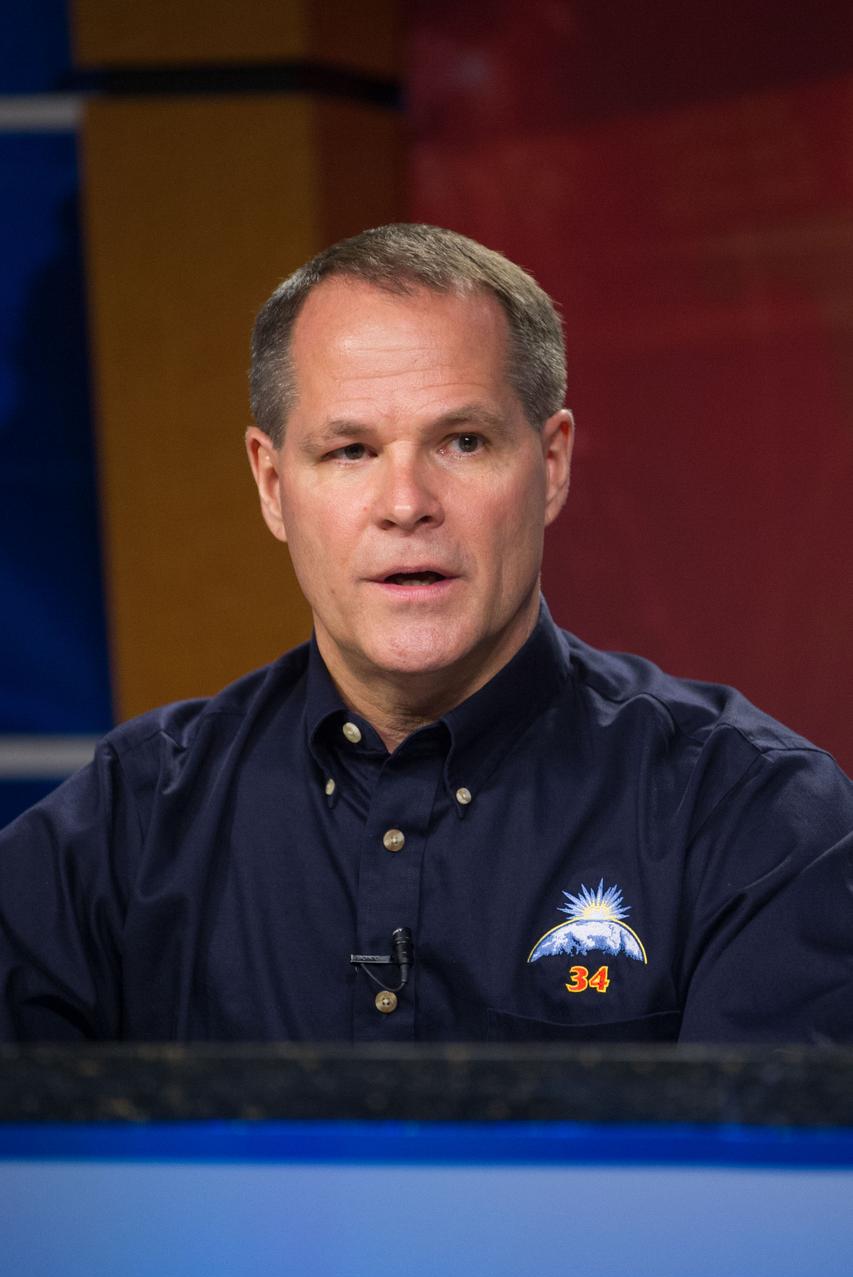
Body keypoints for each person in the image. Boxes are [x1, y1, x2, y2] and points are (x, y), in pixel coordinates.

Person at [1, 223, 851, 1043]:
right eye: (350, 451)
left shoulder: (749, 816)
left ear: (550, 465)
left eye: (463, 441)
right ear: (270, 484)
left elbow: (752, 1186)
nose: (406, 504)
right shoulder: (130, 821)